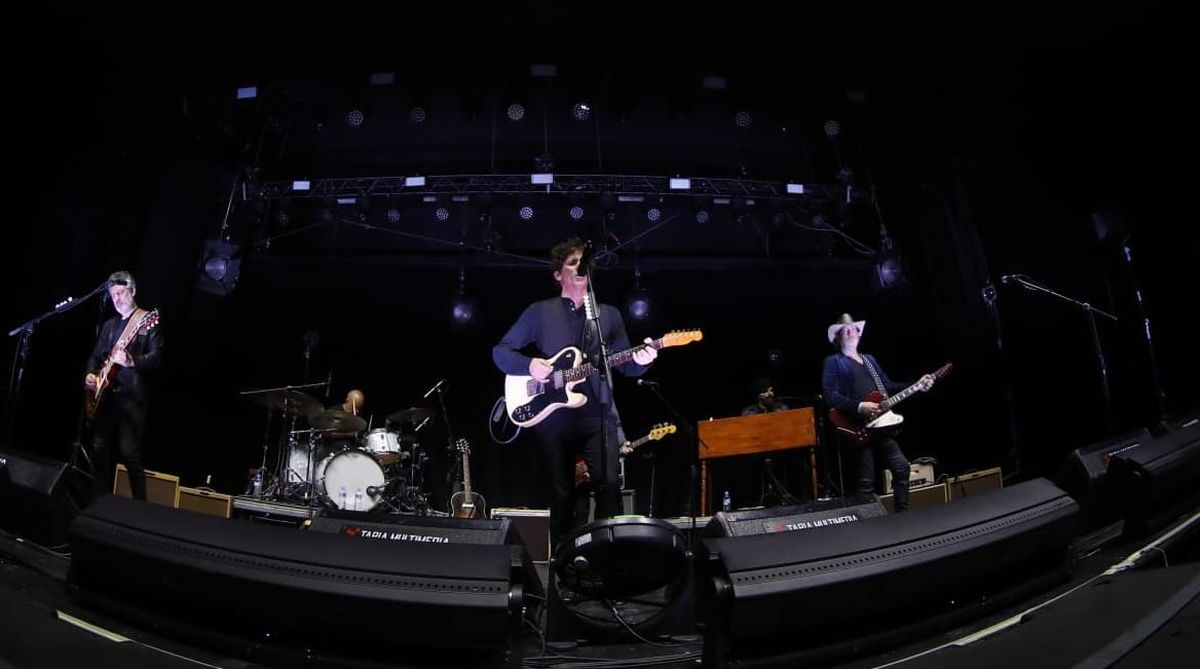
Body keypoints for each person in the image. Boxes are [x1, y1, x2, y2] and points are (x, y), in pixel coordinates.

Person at [493, 238, 657, 549]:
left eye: (583, 263)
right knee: (562, 493)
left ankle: (612, 563)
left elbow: (625, 366)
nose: (579, 268)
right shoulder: (539, 312)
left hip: (598, 413)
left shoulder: (608, 315)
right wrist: (530, 365)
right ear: (558, 274)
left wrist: (643, 360)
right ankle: (564, 569)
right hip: (554, 417)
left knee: (609, 486)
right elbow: (500, 353)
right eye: (572, 263)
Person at [821, 313, 933, 511]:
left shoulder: (869, 360)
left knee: (901, 467)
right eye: (844, 330)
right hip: (856, 428)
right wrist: (859, 406)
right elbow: (829, 395)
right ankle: (869, 530)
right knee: (866, 484)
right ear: (838, 337)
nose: (850, 331)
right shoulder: (834, 361)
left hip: (880, 425)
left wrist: (916, 385)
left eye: (853, 328)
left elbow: (887, 387)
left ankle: (903, 518)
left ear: (858, 334)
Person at [84, 271, 163, 500]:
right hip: (107, 396)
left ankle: (140, 506)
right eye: (112, 295)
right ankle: (100, 500)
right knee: (99, 449)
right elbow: (95, 356)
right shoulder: (109, 325)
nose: (116, 299)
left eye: (120, 293)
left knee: (130, 455)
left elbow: (156, 359)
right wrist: (90, 374)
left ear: (133, 291)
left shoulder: (147, 322)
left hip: (132, 399)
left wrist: (131, 361)